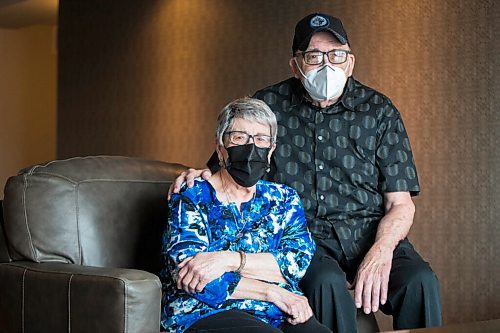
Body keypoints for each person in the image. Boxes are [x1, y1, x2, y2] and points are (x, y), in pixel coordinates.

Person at [169, 13, 442, 332]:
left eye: (336, 54)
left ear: (350, 63)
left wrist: (381, 252)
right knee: (326, 282)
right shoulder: (269, 104)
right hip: (305, 235)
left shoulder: (380, 111)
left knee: (420, 281)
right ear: (296, 65)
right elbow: (231, 163)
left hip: (371, 232)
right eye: (313, 56)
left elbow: (401, 203)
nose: (326, 65)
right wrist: (195, 175)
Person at [160, 97, 331, 333]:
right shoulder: (193, 195)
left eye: (261, 139)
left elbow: (295, 263)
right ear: (221, 148)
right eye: (239, 137)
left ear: (271, 150)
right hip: (203, 311)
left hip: (275, 311)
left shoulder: (283, 198)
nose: (252, 148)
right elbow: (192, 275)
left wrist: (227, 260)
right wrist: (272, 290)